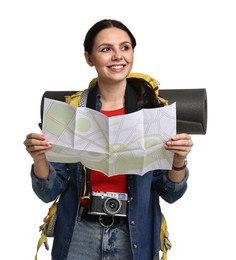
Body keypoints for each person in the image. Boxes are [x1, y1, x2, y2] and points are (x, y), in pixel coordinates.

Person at [23, 19, 193, 260]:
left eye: (125, 48)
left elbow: (171, 193)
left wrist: (179, 160)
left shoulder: (153, 112)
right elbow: (48, 192)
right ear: (89, 58)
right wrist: (39, 158)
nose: (118, 56)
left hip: (133, 235)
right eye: (106, 49)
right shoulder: (70, 110)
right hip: (78, 233)